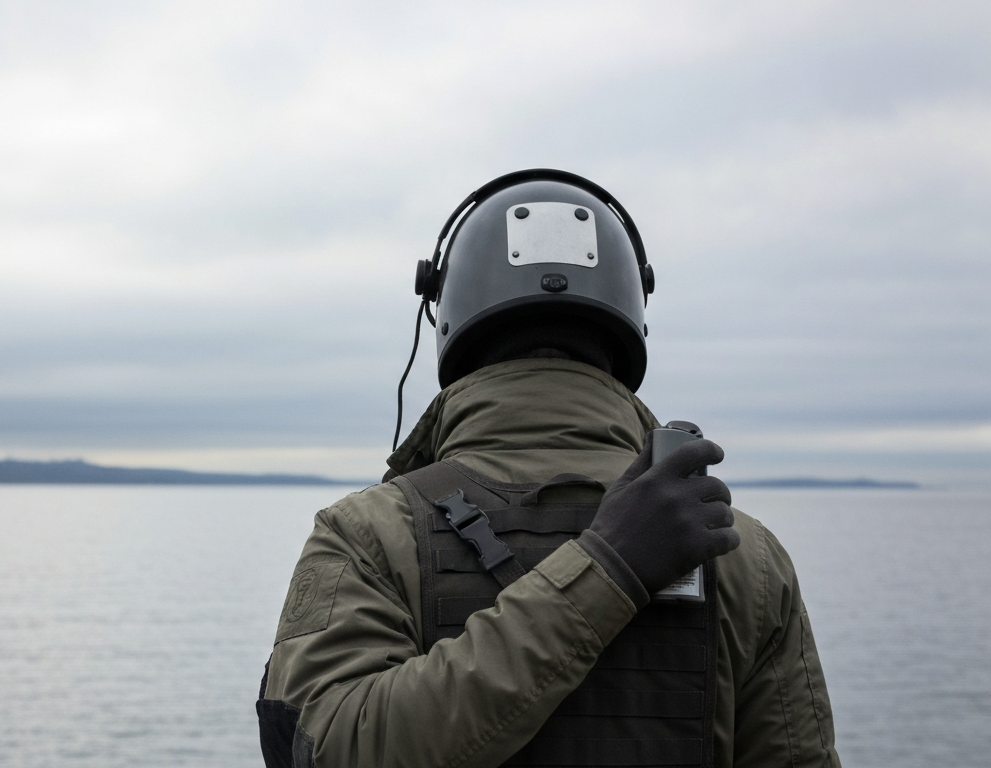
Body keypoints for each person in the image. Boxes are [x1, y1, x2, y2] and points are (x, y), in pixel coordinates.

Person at [256, 170, 840, 768]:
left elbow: (321, 749)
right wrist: (608, 568)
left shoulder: (367, 533)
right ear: (631, 313)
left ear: (443, 307)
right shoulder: (741, 552)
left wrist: (605, 572)